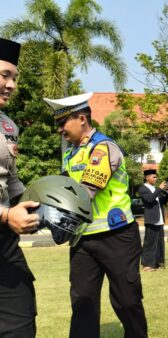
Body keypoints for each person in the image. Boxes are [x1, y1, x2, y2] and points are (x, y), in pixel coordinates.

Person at [44, 92, 148, 338]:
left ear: (82, 118)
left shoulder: (103, 147)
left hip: (117, 236)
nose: (59, 129)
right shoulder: (70, 154)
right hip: (83, 239)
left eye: (62, 123)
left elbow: (86, 192)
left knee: (126, 301)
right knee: (82, 304)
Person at [0, 37, 42, 338]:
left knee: (21, 318)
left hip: (4, 241)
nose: (12, 84)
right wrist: (5, 216)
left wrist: (42, 205)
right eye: (4, 75)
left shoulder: (8, 126)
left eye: (15, 77)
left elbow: (11, 179)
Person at [138, 169, 168, 271]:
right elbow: (149, 199)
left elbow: (161, 202)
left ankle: (157, 263)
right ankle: (147, 265)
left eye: (156, 177)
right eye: (153, 177)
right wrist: (159, 189)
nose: (156, 178)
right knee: (150, 242)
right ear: (147, 177)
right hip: (151, 219)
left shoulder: (155, 188)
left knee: (159, 242)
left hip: (159, 219)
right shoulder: (142, 188)